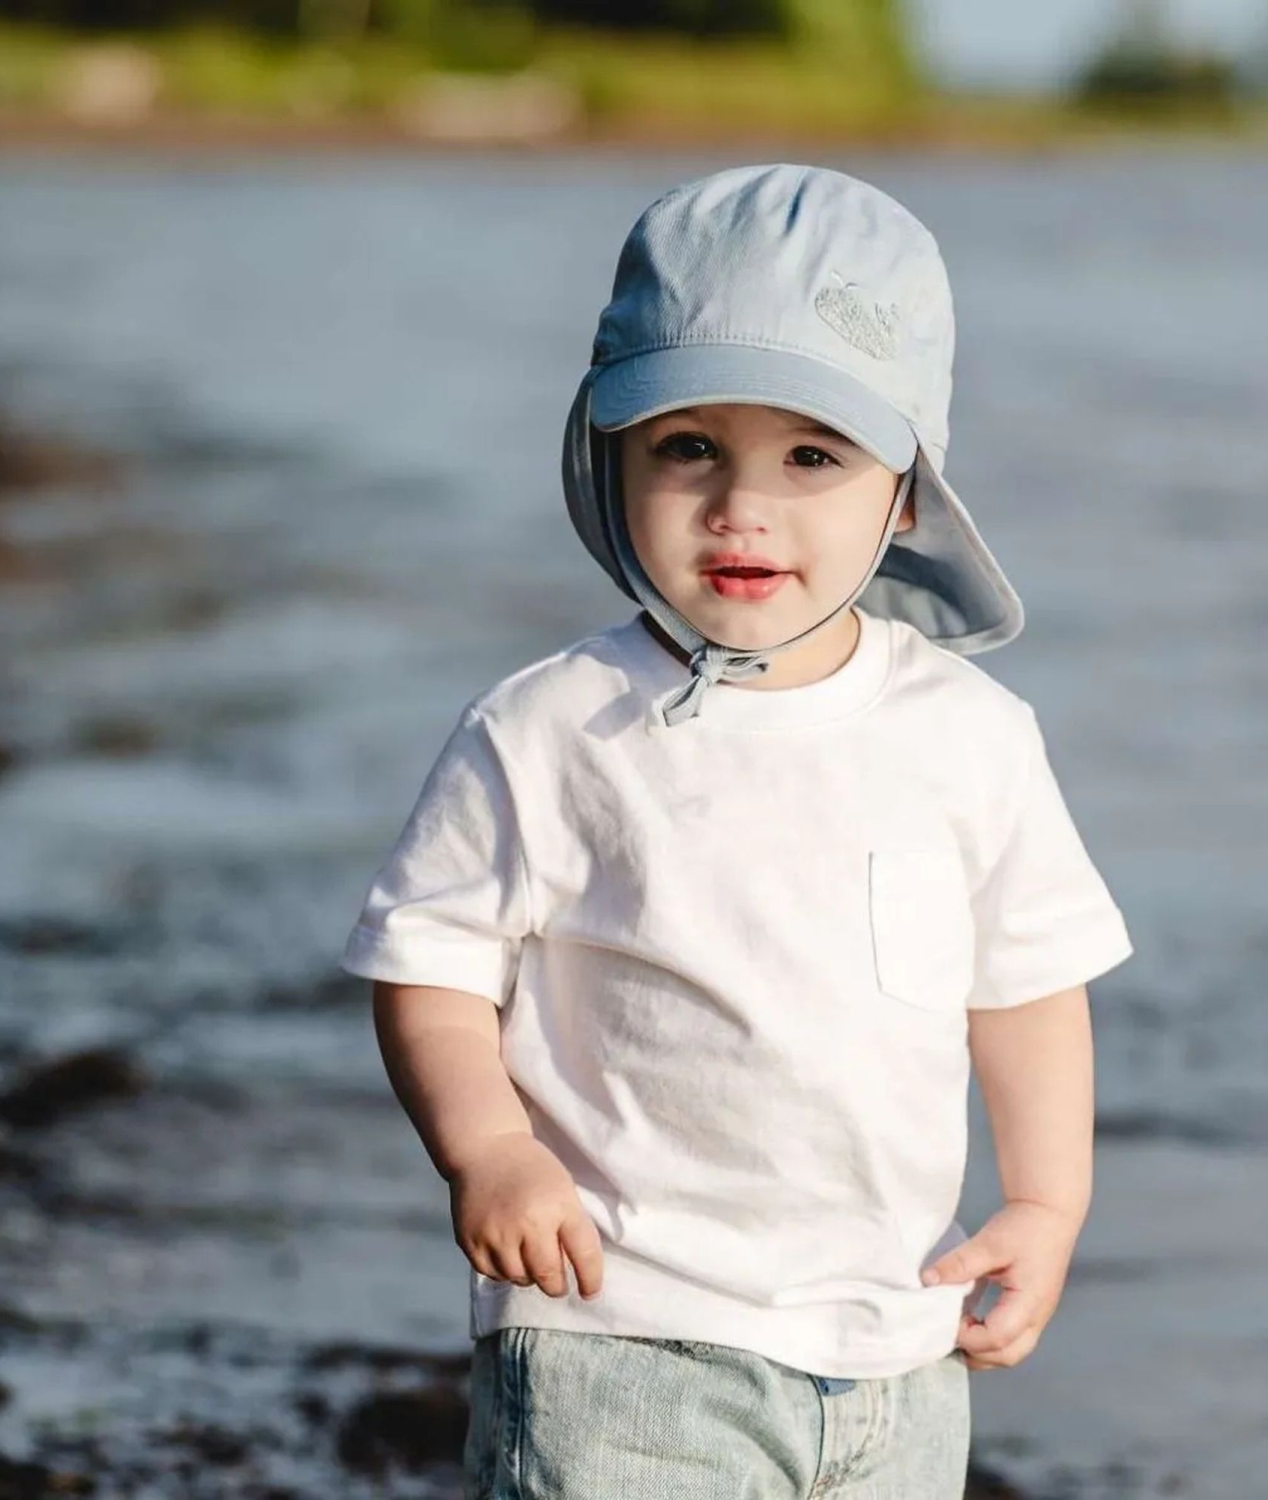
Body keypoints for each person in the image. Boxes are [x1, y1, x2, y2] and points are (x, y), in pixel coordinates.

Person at [339, 163, 1135, 1498]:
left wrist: (1048, 1207)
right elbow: (430, 962)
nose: (739, 507)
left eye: (812, 455)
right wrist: (490, 1149)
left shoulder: (970, 734)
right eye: (689, 447)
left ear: (902, 498)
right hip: (623, 1337)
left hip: (895, 1346)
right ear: (616, 459)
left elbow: (1031, 989)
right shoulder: (553, 727)